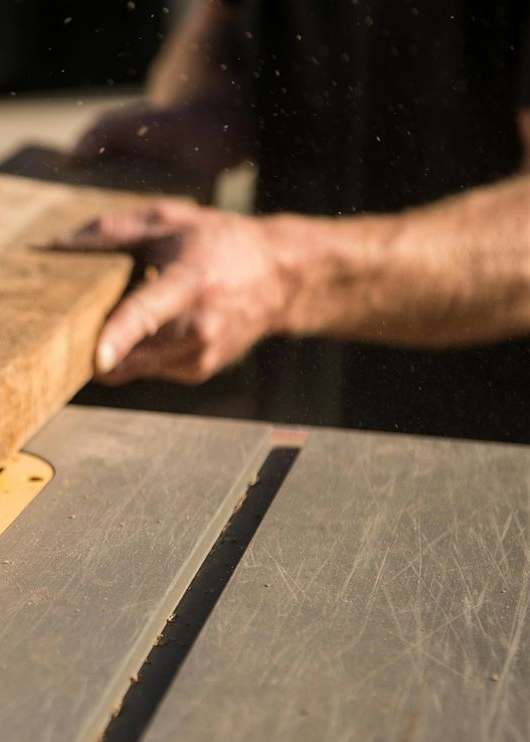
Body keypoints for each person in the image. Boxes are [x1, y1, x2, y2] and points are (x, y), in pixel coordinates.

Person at [63, 0, 530, 440]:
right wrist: (210, 107)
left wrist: (282, 273)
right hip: (298, 410)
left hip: (491, 464)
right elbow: (226, 25)